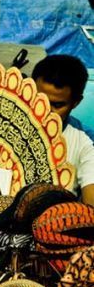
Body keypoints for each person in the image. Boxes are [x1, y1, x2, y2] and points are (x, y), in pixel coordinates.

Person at [32, 54, 94, 205]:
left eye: (57, 105)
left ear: (76, 102)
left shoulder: (87, 142)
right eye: (40, 100)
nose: (46, 111)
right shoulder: (1, 120)